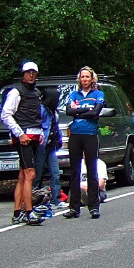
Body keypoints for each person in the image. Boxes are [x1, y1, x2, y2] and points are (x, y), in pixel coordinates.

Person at [0, 61, 45, 225]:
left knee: (22, 175)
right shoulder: (15, 92)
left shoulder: (37, 93)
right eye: (28, 72)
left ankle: (17, 212)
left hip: (34, 137)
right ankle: (29, 212)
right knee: (30, 174)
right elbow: (6, 115)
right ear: (23, 74)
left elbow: (35, 116)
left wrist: (39, 133)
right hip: (23, 138)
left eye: (34, 72)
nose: (31, 75)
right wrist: (20, 134)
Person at [64, 67, 104, 219]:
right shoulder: (74, 94)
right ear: (79, 79)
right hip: (75, 134)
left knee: (91, 170)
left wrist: (78, 109)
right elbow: (68, 111)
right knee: (74, 171)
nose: (85, 79)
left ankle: (93, 206)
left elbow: (95, 112)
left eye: (87, 77)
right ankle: (74, 207)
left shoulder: (98, 94)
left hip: (90, 135)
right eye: (82, 77)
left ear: (92, 79)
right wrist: (85, 110)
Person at [33, 87, 64, 216]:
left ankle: (56, 199)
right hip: (41, 146)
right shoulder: (41, 110)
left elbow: (56, 127)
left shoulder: (54, 112)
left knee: (55, 173)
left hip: (51, 146)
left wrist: (59, 139)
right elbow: (37, 126)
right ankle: (32, 198)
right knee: (37, 174)